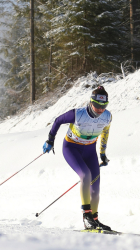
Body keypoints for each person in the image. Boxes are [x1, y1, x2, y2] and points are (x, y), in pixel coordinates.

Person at [43, 86, 112, 230]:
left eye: (103, 106)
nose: (100, 109)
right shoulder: (78, 114)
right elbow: (57, 121)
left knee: (96, 186)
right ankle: (86, 217)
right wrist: (50, 140)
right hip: (71, 148)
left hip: (90, 151)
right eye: (97, 106)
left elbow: (105, 133)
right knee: (85, 175)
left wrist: (103, 154)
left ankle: (95, 220)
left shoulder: (107, 116)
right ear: (91, 102)